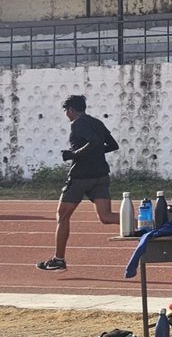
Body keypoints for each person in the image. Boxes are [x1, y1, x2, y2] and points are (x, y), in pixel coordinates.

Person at [37, 95, 119, 271]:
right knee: (106, 216)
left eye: (66, 111)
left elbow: (94, 142)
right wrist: (95, 153)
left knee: (63, 216)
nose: (67, 114)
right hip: (101, 175)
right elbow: (113, 145)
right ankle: (144, 224)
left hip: (81, 176)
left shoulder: (77, 123)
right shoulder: (97, 122)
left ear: (71, 110)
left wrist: (74, 154)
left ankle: (58, 260)